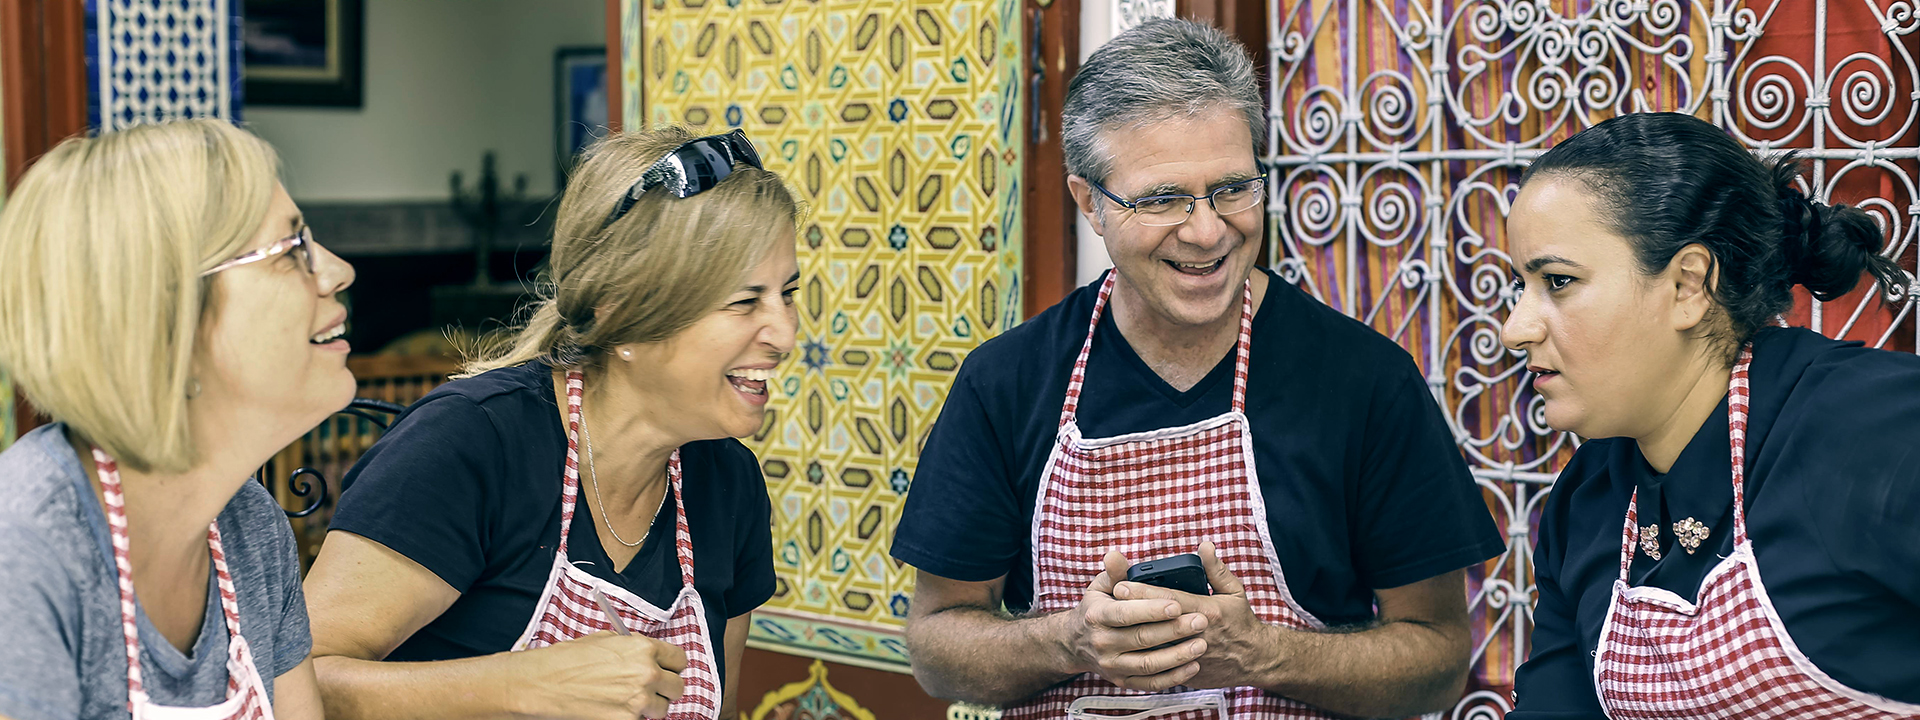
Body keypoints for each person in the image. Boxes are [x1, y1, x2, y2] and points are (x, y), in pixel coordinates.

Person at [890, 18, 1506, 719]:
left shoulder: (1366, 384)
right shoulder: (1006, 384)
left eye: (1232, 189)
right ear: (1088, 201)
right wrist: (1073, 641)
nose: (1208, 230)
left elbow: (1436, 664)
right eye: (1162, 199)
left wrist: (1263, 653)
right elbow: (936, 649)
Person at [302, 127, 797, 720]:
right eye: (744, 302)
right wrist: (520, 687)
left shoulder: (728, 483)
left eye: (786, 294)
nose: (785, 334)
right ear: (625, 318)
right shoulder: (471, 445)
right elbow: (300, 685)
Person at [1504, 112, 1920, 718]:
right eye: (1520, 285)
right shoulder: (1588, 500)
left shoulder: (1876, 433)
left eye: (1559, 282)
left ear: (1688, 285)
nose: (1515, 329)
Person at [0, 119, 351, 720]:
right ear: (167, 318)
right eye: (291, 250)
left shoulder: (249, 527)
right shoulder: (25, 553)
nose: (337, 270)